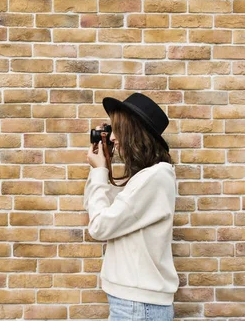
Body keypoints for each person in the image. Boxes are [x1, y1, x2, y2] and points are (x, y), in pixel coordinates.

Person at [84, 93, 179, 320]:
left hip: (138, 306)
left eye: (118, 130)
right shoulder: (145, 179)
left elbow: (99, 226)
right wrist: (102, 166)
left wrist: (99, 172)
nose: (113, 138)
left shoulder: (155, 177)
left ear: (133, 132)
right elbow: (103, 208)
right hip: (134, 303)